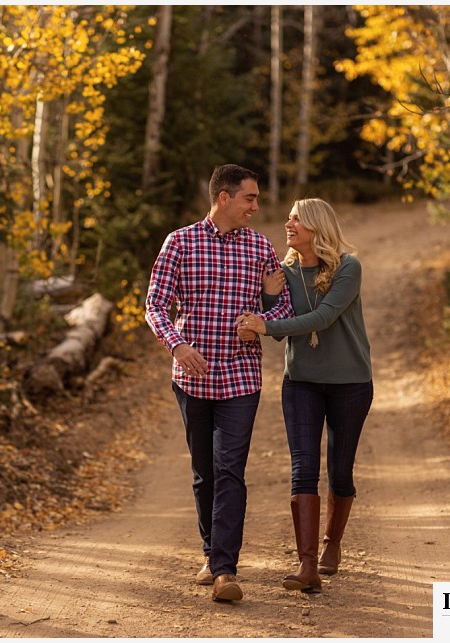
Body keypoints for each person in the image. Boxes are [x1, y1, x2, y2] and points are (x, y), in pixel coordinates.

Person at [145, 164, 293, 602]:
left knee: (230, 469)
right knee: (203, 471)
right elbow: (155, 305)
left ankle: (226, 569)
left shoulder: (260, 248)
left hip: (241, 377)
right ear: (224, 197)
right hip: (191, 379)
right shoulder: (181, 242)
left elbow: (285, 306)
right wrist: (177, 346)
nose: (256, 207)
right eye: (250, 198)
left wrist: (261, 319)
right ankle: (211, 554)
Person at [236, 197, 373, 595]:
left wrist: (263, 325)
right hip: (302, 382)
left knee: (341, 470)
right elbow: (277, 324)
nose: (288, 223)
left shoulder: (348, 267)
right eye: (290, 218)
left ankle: (332, 543)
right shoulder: (283, 272)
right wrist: (265, 299)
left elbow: (324, 317)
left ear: (315, 226)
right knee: (303, 468)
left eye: (296, 218)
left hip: (350, 381)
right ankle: (307, 564)